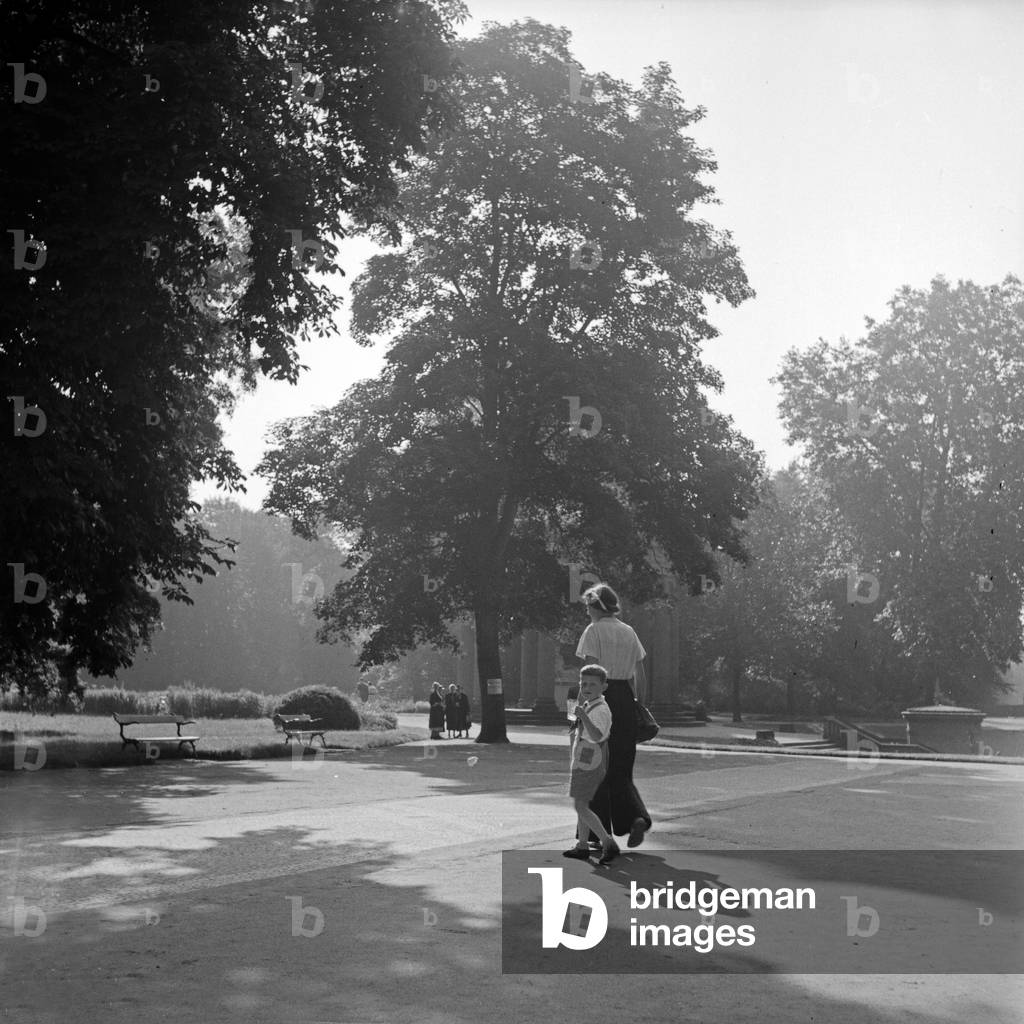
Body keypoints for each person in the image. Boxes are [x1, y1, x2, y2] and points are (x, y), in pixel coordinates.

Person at [576, 582, 652, 849]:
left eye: (588, 606)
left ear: (597, 606)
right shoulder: (629, 632)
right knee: (621, 767)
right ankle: (636, 818)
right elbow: (640, 674)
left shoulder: (594, 631)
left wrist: (580, 712)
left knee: (595, 765)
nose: (587, 612)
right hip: (625, 699)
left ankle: (597, 835)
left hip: (602, 698)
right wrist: (638, 705)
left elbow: (590, 673)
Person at [563, 664, 619, 864]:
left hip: (590, 759)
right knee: (583, 803)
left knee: (580, 805)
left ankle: (607, 842)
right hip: (585, 757)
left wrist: (583, 717)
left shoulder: (600, 709)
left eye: (592, 684)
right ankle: (582, 845)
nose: (586, 687)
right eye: (583, 683)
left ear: (604, 686)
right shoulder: (590, 704)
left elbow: (597, 736)